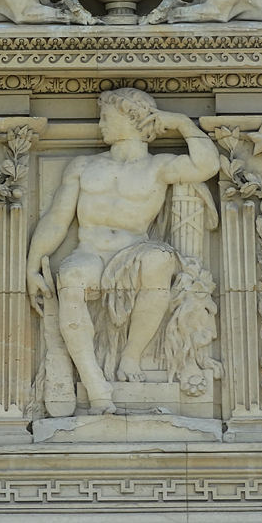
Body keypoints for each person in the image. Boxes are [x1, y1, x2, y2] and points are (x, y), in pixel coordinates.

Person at [26, 88, 219, 414]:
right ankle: (94, 383)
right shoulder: (84, 165)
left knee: (159, 259)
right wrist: (33, 266)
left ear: (131, 118)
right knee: (71, 276)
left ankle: (131, 355)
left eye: (106, 116)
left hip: (134, 253)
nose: (100, 124)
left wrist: (184, 124)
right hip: (90, 252)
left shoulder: (159, 167)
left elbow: (207, 165)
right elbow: (57, 219)